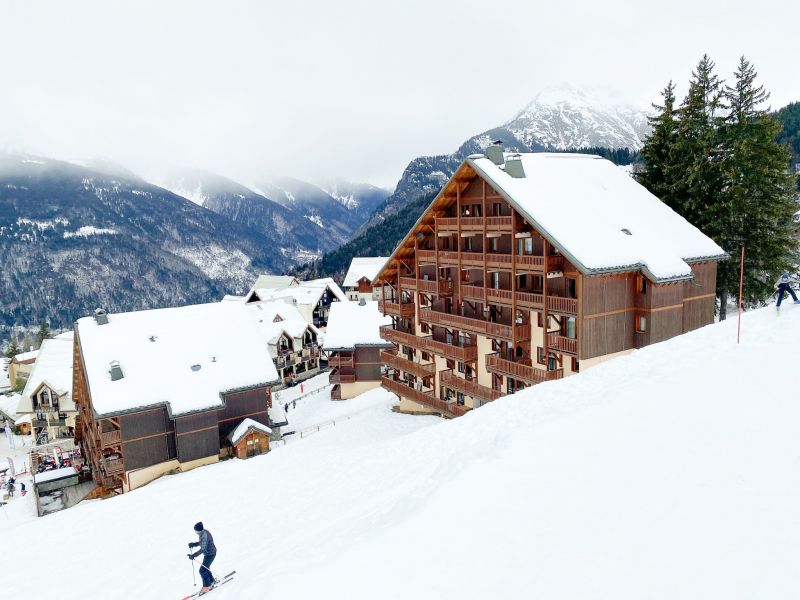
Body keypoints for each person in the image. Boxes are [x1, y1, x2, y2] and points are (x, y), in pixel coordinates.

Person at [188, 522, 217, 593]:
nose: (195, 532)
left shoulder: (204, 535)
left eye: (195, 530)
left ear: (198, 530)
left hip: (210, 554)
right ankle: (211, 581)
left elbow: (203, 549)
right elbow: (202, 542)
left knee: (202, 570)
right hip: (208, 554)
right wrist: (194, 544)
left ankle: (207, 586)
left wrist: (193, 555)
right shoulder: (202, 533)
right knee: (206, 568)